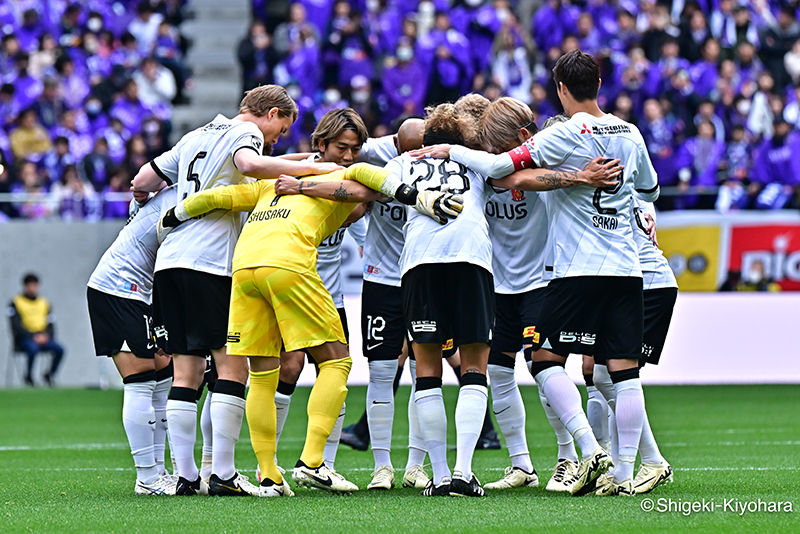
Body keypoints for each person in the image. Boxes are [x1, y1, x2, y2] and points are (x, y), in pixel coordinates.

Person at [157, 159, 463, 496]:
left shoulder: (269, 184)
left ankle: (270, 477)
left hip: (243, 270)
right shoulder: (346, 175)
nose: (363, 212)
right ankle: (313, 461)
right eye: (366, 206)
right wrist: (423, 198)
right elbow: (377, 179)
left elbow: (215, 198)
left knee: (261, 374)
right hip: (287, 264)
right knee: (336, 360)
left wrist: (172, 217)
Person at [130, 84, 342, 497]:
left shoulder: (193, 136)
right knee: (232, 367)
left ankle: (187, 476)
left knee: (185, 370)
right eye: (280, 129)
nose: (276, 139)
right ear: (272, 112)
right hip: (211, 263)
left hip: (171, 262)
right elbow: (249, 163)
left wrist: (142, 194)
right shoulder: (244, 136)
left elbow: (143, 179)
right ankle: (224, 475)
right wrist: (315, 171)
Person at [86, 186, 177, 495]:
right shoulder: (183, 195)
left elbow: (138, 191)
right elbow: (139, 185)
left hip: (142, 292)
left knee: (164, 373)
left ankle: (161, 471)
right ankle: (148, 478)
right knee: (141, 379)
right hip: (117, 288)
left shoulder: (173, 192)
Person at [8, 274, 65, 386]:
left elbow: (51, 323)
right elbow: (15, 326)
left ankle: (49, 375)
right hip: (25, 338)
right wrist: (32, 336)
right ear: (25, 286)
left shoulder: (44, 302)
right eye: (30, 286)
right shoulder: (16, 302)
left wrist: (46, 335)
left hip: (43, 337)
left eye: (35, 285)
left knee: (60, 349)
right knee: (32, 348)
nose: (33, 288)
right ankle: (29, 377)